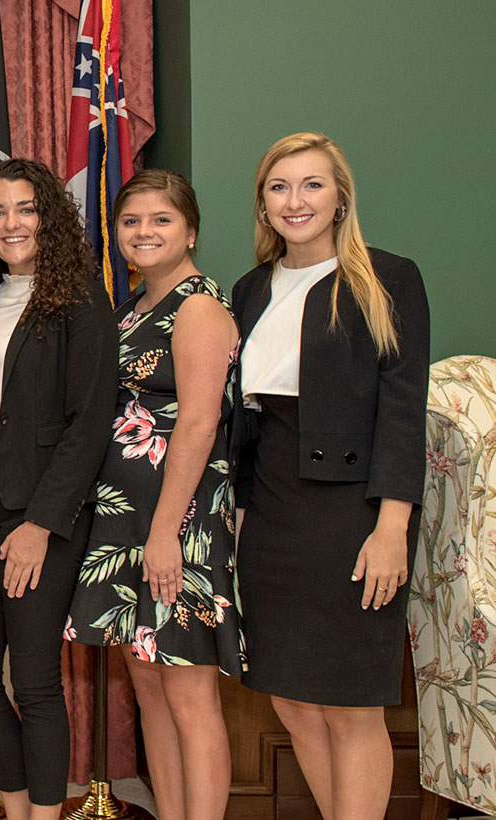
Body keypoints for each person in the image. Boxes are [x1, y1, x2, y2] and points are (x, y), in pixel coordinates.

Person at [232, 132, 429, 820]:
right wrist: (240, 515)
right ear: (263, 203)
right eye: (279, 186)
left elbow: (403, 411)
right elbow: (245, 421)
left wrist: (392, 527)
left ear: (341, 198)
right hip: (272, 514)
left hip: (352, 516)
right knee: (290, 699)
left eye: (312, 184)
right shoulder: (250, 289)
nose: (296, 200)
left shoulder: (389, 278)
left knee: (350, 706)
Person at [0, 158, 114, 820]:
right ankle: (17, 809)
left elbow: (89, 424)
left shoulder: (79, 299)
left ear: (50, 217)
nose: (11, 223)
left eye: (25, 208)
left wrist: (41, 523)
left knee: (36, 682)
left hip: (38, 507)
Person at [67, 169, 241, 820]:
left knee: (189, 696)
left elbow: (198, 424)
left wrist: (166, 533)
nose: (144, 231)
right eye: (132, 221)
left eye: (162, 219)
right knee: (148, 687)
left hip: (178, 525)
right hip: (127, 521)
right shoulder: (134, 307)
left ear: (191, 230)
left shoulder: (198, 308)